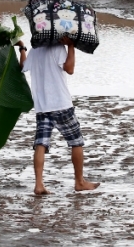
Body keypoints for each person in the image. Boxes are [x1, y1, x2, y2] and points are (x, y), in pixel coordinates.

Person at [18, 38, 100, 195]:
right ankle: (79, 182)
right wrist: (70, 45)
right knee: (76, 142)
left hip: (42, 107)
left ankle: (39, 184)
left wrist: (22, 48)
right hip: (61, 105)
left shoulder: (35, 50)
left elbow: (23, 66)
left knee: (41, 144)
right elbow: (69, 68)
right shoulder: (58, 48)